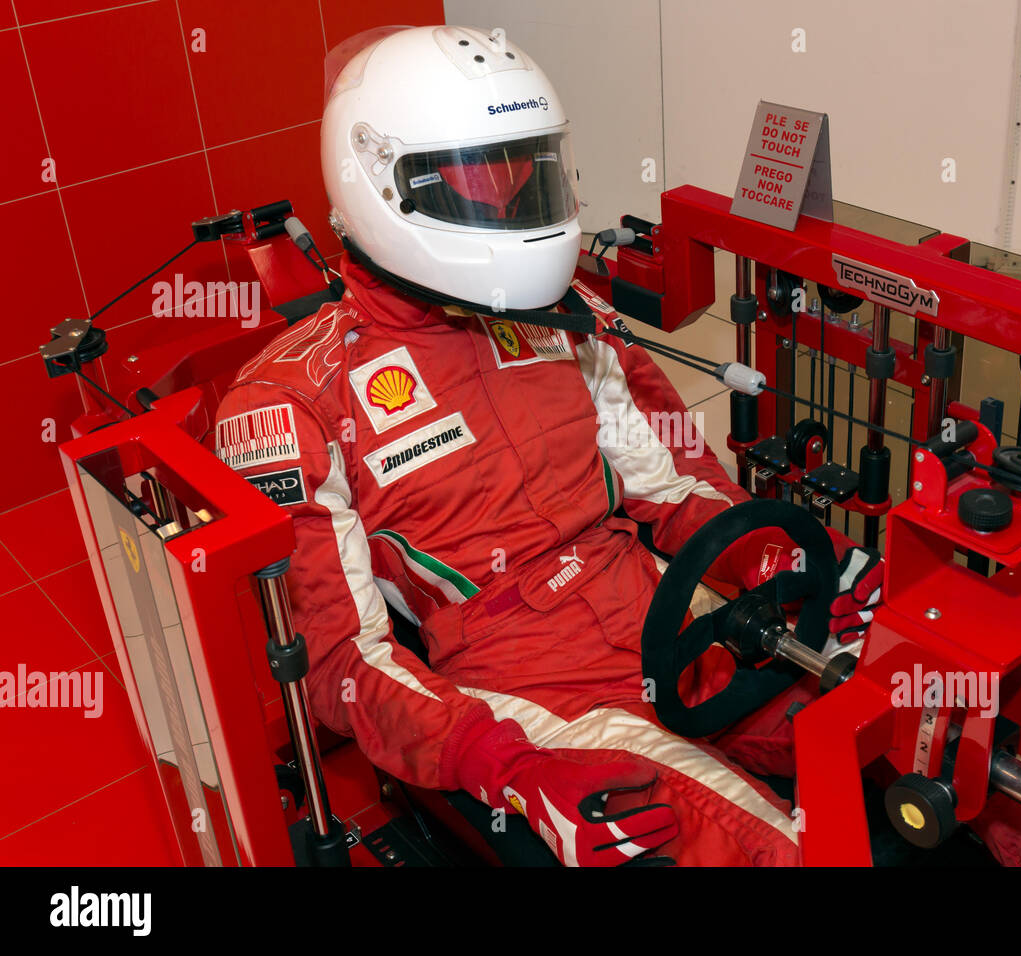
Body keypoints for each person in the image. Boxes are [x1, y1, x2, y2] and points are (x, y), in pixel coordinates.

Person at [214, 24, 881, 867]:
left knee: (924, 713)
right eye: (473, 185)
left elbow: (672, 482)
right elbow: (344, 660)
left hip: (659, 609)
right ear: (379, 182)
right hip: (526, 687)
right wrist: (508, 766)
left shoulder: (566, 315)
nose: (508, 205)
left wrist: (773, 559)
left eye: (523, 174)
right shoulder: (293, 398)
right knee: (782, 853)